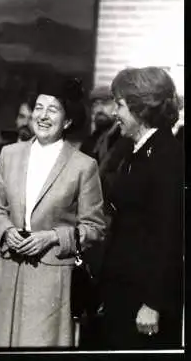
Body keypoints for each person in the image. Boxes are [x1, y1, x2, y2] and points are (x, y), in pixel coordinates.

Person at [0, 73, 106, 347]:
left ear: (68, 120)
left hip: (51, 279)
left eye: (53, 109)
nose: (43, 116)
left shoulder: (84, 166)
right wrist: (5, 230)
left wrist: (52, 236)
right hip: (8, 272)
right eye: (39, 108)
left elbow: (95, 229)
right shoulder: (9, 155)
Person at [100, 67, 184, 350]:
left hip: (144, 304)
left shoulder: (167, 157)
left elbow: (170, 236)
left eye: (120, 104)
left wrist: (153, 303)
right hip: (125, 292)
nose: (114, 112)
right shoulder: (137, 151)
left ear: (141, 108)